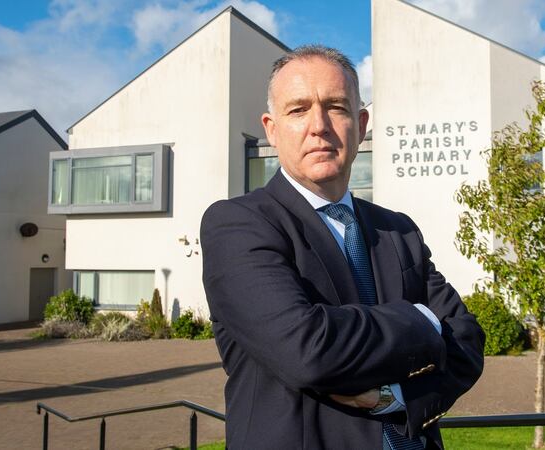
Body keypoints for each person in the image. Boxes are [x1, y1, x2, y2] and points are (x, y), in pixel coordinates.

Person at [201, 45, 484, 450]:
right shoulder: (238, 225)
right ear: (271, 128)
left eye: (336, 107)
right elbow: (307, 350)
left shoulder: (398, 230)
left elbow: (467, 343)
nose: (319, 126)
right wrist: (423, 320)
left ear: (361, 122)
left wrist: (395, 399)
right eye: (298, 110)